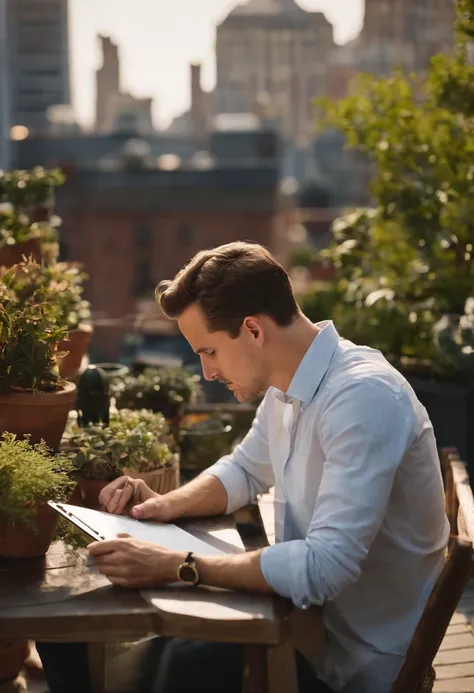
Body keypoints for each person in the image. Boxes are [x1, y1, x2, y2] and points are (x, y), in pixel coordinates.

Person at [37, 242, 449, 693]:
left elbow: (324, 568)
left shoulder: (363, 399)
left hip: (349, 669)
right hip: (306, 632)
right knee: (70, 635)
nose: (206, 373)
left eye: (209, 351)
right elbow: (244, 471)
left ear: (253, 330)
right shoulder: (290, 384)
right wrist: (159, 508)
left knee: (179, 664)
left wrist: (179, 565)